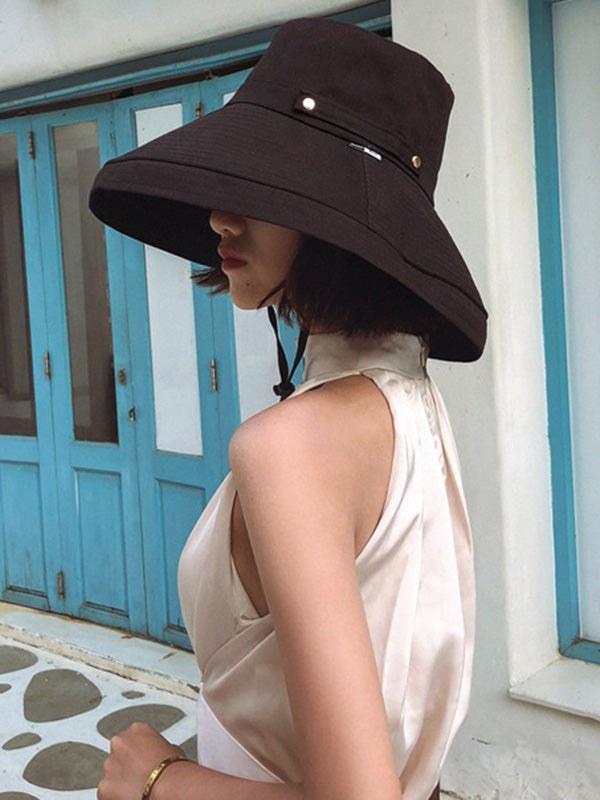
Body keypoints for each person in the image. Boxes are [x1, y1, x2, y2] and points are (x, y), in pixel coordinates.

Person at [89, 16, 487, 800]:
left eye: (265, 189)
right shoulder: (410, 404)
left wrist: (158, 778)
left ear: (345, 225)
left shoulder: (292, 446)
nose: (220, 217)